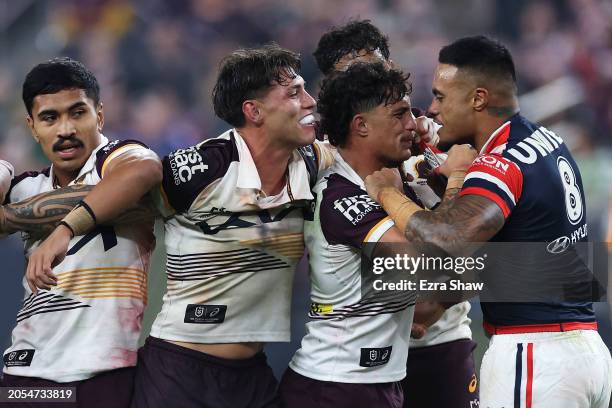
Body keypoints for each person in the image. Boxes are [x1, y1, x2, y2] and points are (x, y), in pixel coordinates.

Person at [365, 35, 612, 408]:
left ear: (478, 98)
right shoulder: (548, 141)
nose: (432, 109)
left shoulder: (500, 163)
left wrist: (388, 193)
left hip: (534, 355)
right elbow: (500, 262)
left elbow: (448, 239)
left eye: (441, 97)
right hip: (587, 352)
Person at [127, 44, 329, 408]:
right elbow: (118, 200)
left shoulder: (314, 162)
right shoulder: (201, 171)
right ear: (253, 111)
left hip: (252, 378)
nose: (311, 101)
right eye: (294, 92)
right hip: (179, 373)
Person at [278, 62, 474, 407]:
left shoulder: (413, 182)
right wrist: (457, 181)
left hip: (379, 384)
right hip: (335, 387)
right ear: (361, 126)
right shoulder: (340, 196)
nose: (413, 124)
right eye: (399, 115)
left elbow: (438, 296)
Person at [0, 57, 162, 407]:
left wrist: (62, 228)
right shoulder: (28, 186)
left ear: (99, 115)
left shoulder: (119, 159)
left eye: (77, 113)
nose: (65, 130)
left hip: (102, 370)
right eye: (49, 118)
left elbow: (146, 171)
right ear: (32, 127)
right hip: (26, 369)